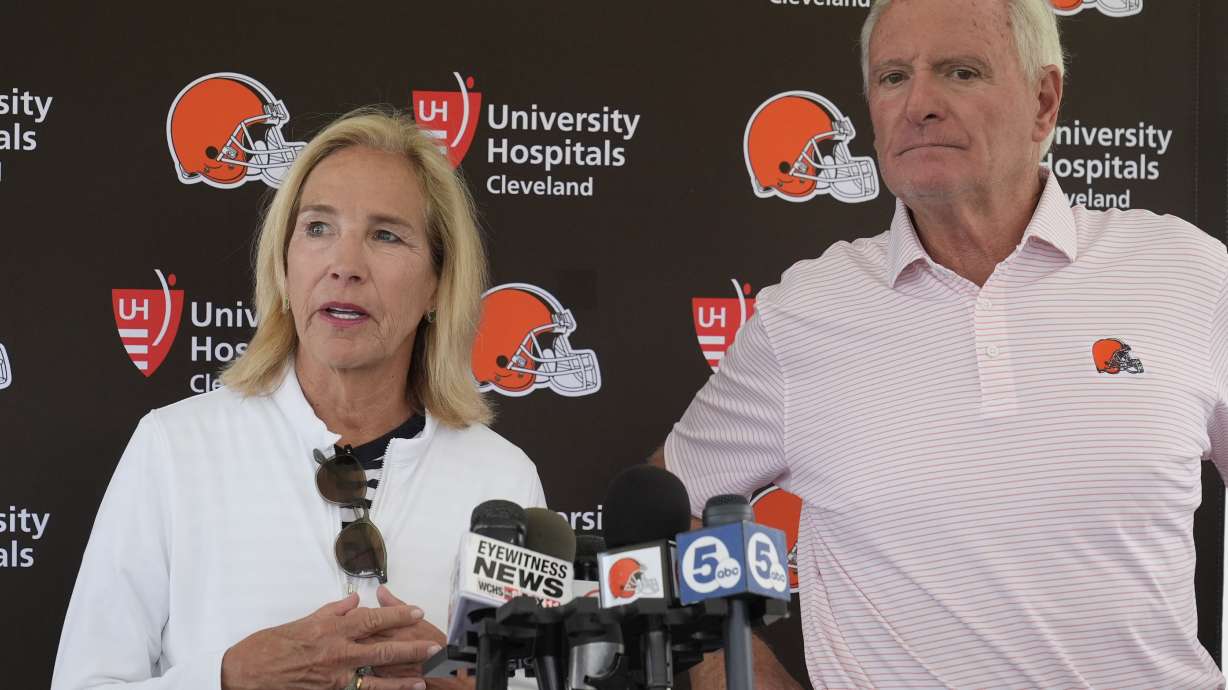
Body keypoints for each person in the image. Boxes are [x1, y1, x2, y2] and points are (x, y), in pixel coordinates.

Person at [657, 0, 1228, 687]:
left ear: (1044, 102)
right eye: (893, 77)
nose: (920, 102)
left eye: (960, 72)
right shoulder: (801, 317)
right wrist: (736, 670)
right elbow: (666, 505)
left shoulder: (1186, 273)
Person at [52, 108, 545, 690]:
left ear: (440, 282)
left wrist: (463, 681)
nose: (345, 265)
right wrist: (228, 680)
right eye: (318, 228)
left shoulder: (503, 480)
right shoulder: (174, 447)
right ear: (284, 265)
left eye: (386, 235)